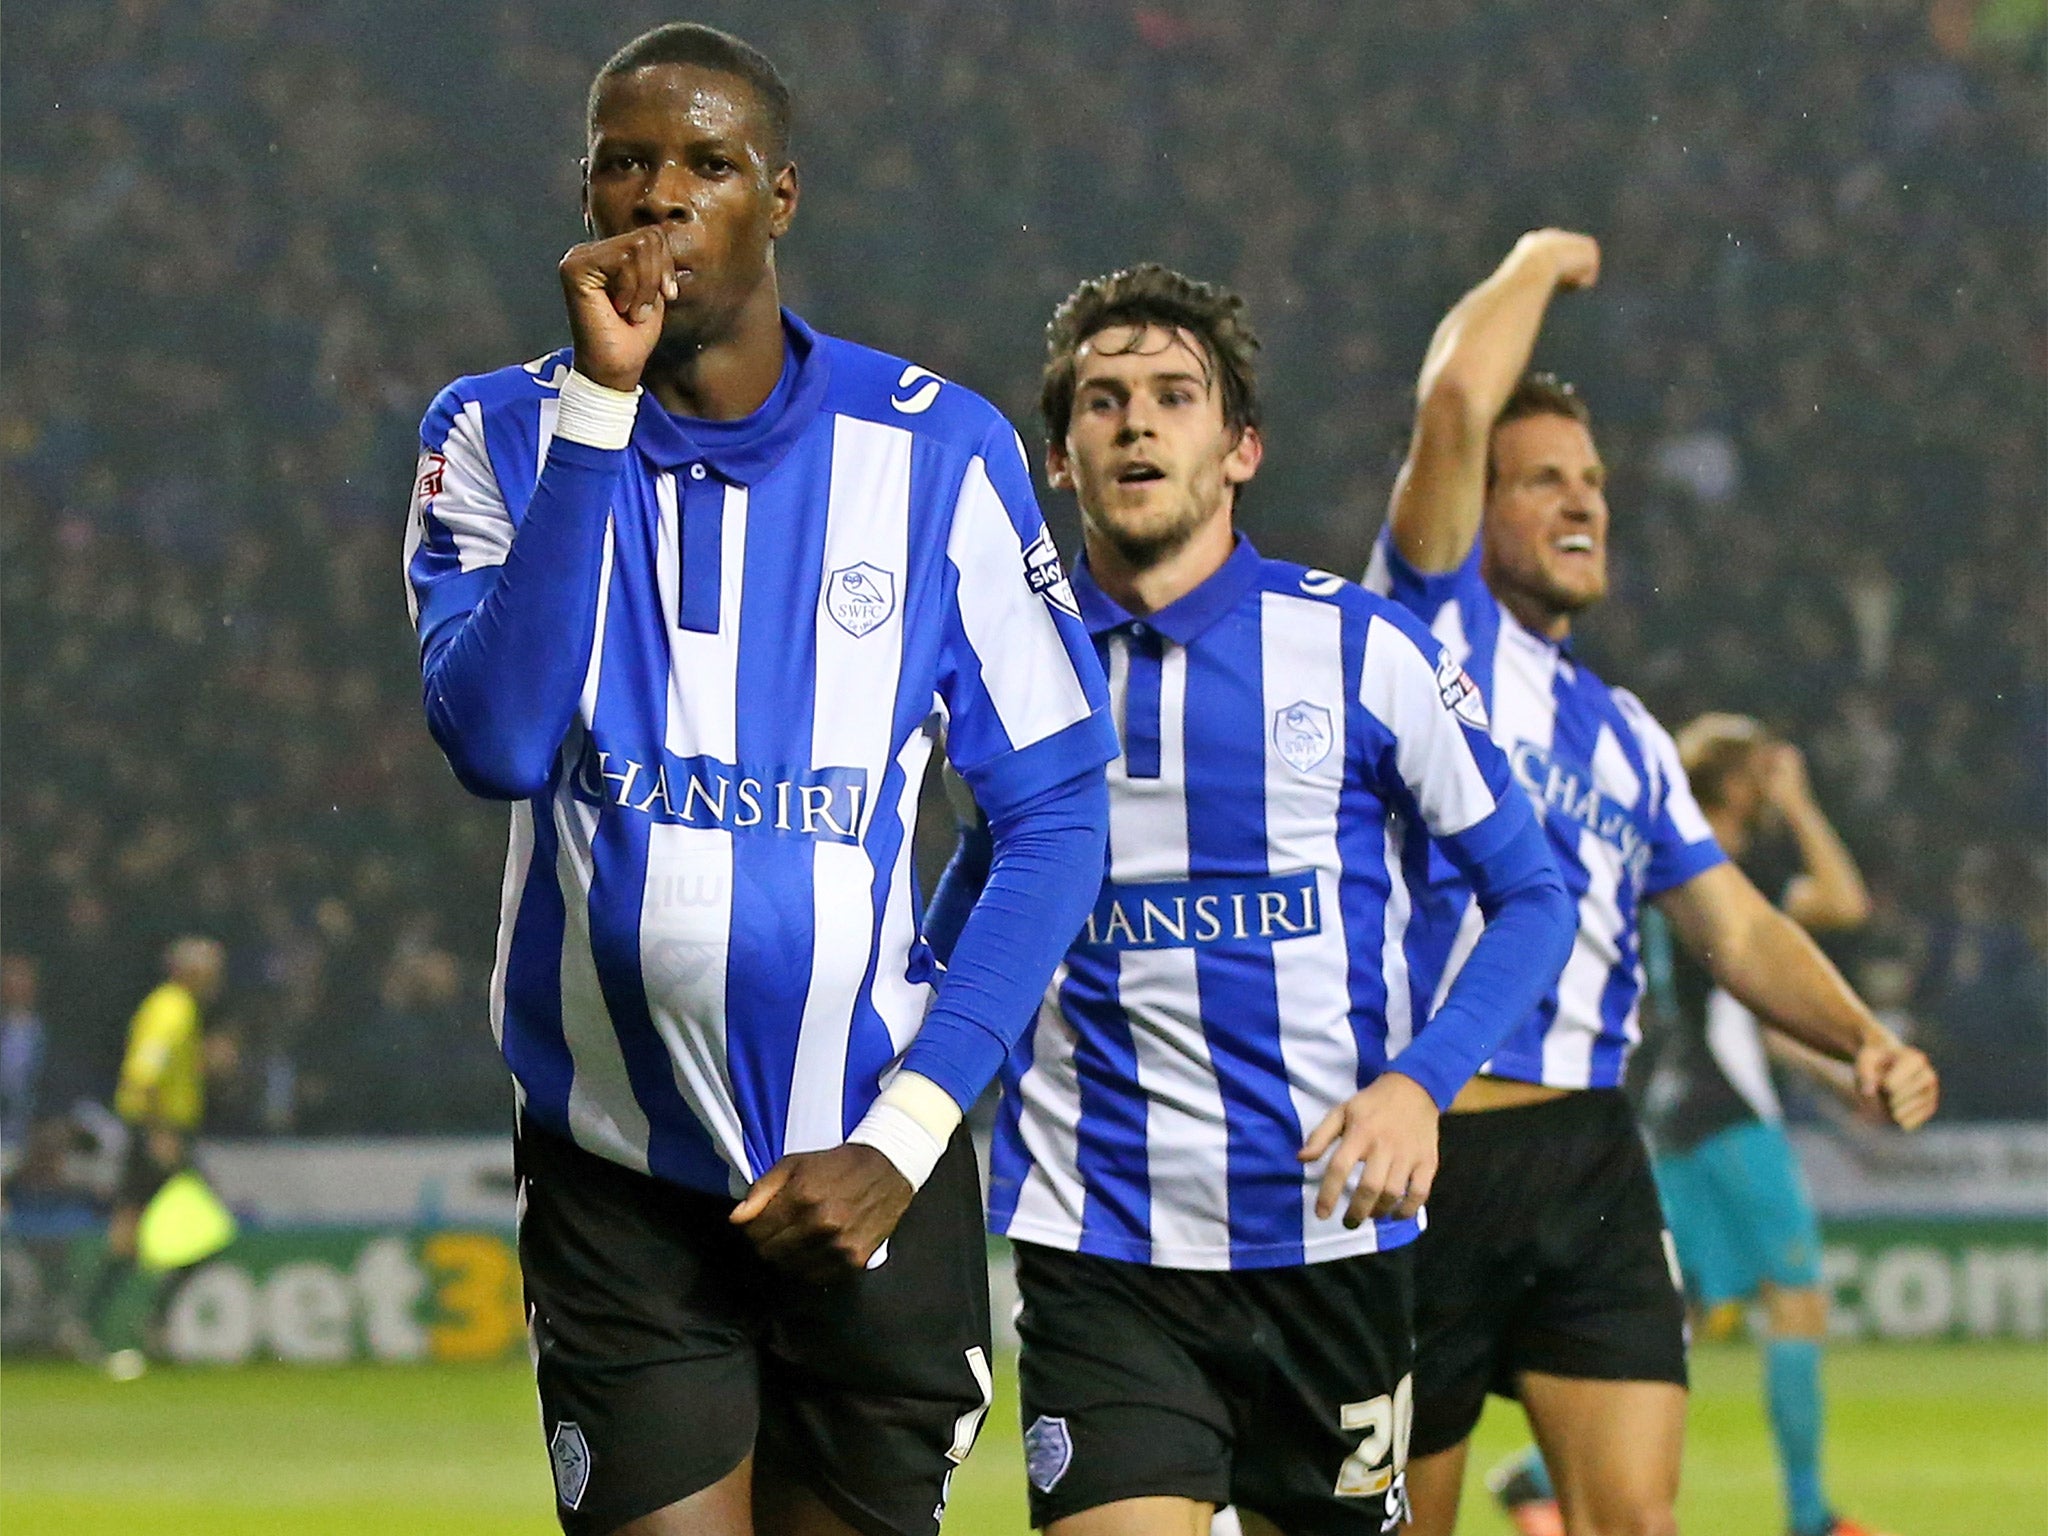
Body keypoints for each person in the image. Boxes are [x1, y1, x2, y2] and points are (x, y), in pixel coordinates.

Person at [402, 24, 1117, 1536]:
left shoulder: (938, 453)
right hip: (616, 1169)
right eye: (626, 163)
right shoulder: (498, 433)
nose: (661, 196)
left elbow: (1056, 815)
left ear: (779, 196)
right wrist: (599, 415)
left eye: (708, 165)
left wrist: (906, 1138)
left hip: (871, 1162)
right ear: (586, 195)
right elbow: (499, 742)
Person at [930, 265, 1574, 1535]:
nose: (1136, 422)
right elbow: (978, 890)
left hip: (1327, 1239)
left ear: (1240, 449)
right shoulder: (1007, 667)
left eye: (1174, 396)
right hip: (1097, 1243)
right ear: (1059, 458)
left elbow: (1532, 895)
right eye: (1102, 401)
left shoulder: (1359, 650)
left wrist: (1418, 1085)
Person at [1361, 229, 1940, 1536]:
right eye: (1541, 481)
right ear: (1473, 505)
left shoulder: (1625, 734)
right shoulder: (1421, 630)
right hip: (1424, 1146)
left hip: (1588, 1157)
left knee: (1636, 1519)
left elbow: (1734, 924)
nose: (1582, 503)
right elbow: (1453, 403)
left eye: (1593, 482)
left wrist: (1860, 1038)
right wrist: (1533, 263)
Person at [1491, 718, 1897, 1536]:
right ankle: (1811, 1516)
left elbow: (1739, 1016)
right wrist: (1802, 806)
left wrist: (1835, 1070)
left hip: (1672, 1110)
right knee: (1797, 1302)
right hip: (1728, 1116)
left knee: (1670, 1318)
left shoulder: (1652, 873)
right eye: (1762, 774)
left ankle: (1536, 1475)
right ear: (1741, 785)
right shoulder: (1723, 875)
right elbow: (1845, 901)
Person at [77, 934, 225, 1367]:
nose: (217, 978)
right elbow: (145, 1074)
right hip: (159, 1134)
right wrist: (158, 1132)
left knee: (129, 1235)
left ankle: (85, 1322)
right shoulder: (172, 1010)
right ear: (190, 971)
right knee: (206, 1232)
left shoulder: (170, 1007)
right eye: (210, 969)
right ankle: (153, 1323)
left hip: (151, 1131)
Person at [0, 954, 46, 1146]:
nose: (15, 984)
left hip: (34, 1135)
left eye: (22, 976)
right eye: (9, 976)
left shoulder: (45, 1033)